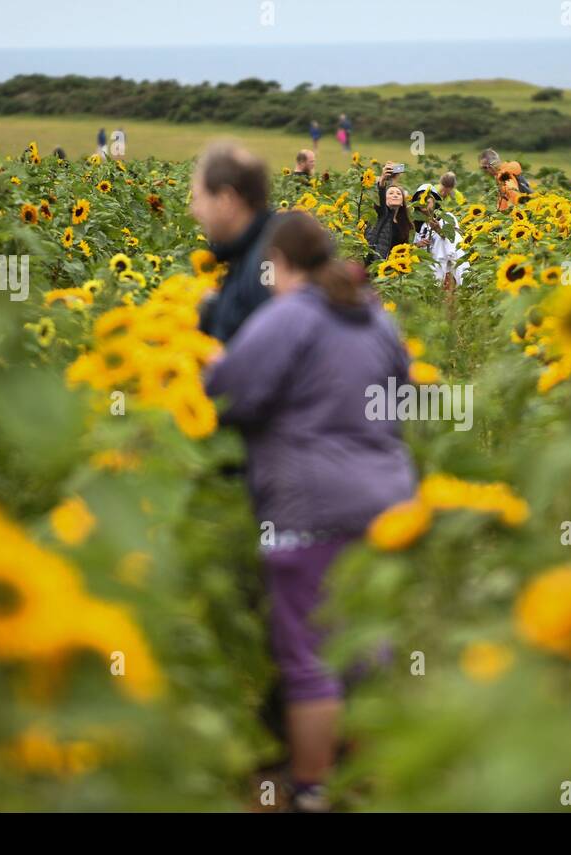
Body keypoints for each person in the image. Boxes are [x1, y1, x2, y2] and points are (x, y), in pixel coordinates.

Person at [205, 211, 415, 813]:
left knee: (308, 655)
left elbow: (231, 394)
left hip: (308, 503)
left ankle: (313, 791)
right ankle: (372, 781)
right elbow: (403, 397)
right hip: (385, 502)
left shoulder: (288, 317)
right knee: (367, 648)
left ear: (280, 264)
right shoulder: (375, 316)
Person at [190, 142, 275, 342]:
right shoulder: (247, 250)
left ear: (225, 199)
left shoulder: (268, 259)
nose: (194, 211)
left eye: (198, 198)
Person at [411, 183, 469, 289]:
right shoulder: (420, 225)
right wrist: (418, 244)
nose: (423, 201)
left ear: (434, 201)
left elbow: (454, 239)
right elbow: (413, 249)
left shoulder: (446, 217)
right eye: (419, 199)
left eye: (427, 197)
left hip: (450, 265)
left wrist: (439, 230)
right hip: (430, 270)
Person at [366, 162, 412, 262]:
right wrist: (382, 180)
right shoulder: (382, 214)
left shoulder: (404, 223)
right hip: (376, 263)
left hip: (394, 267)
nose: (395, 195)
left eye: (398, 194)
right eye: (390, 193)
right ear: (384, 199)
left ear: (402, 203)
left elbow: (404, 247)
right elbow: (380, 197)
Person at [479, 148, 527, 212]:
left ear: (492, 165)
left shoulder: (504, 177)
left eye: (484, 167)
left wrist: (505, 212)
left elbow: (515, 195)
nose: (484, 171)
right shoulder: (504, 173)